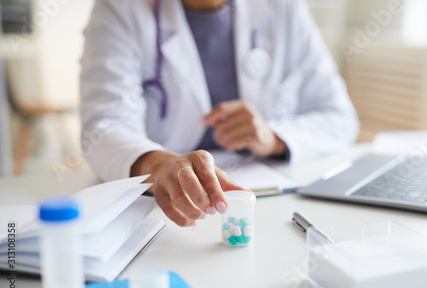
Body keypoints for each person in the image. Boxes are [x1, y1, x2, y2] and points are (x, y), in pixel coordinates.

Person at [80, 0, 359, 228]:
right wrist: (160, 165)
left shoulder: (283, 7)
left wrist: (273, 137)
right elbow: (103, 127)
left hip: (270, 203)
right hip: (162, 214)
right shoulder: (120, 9)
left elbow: (339, 117)